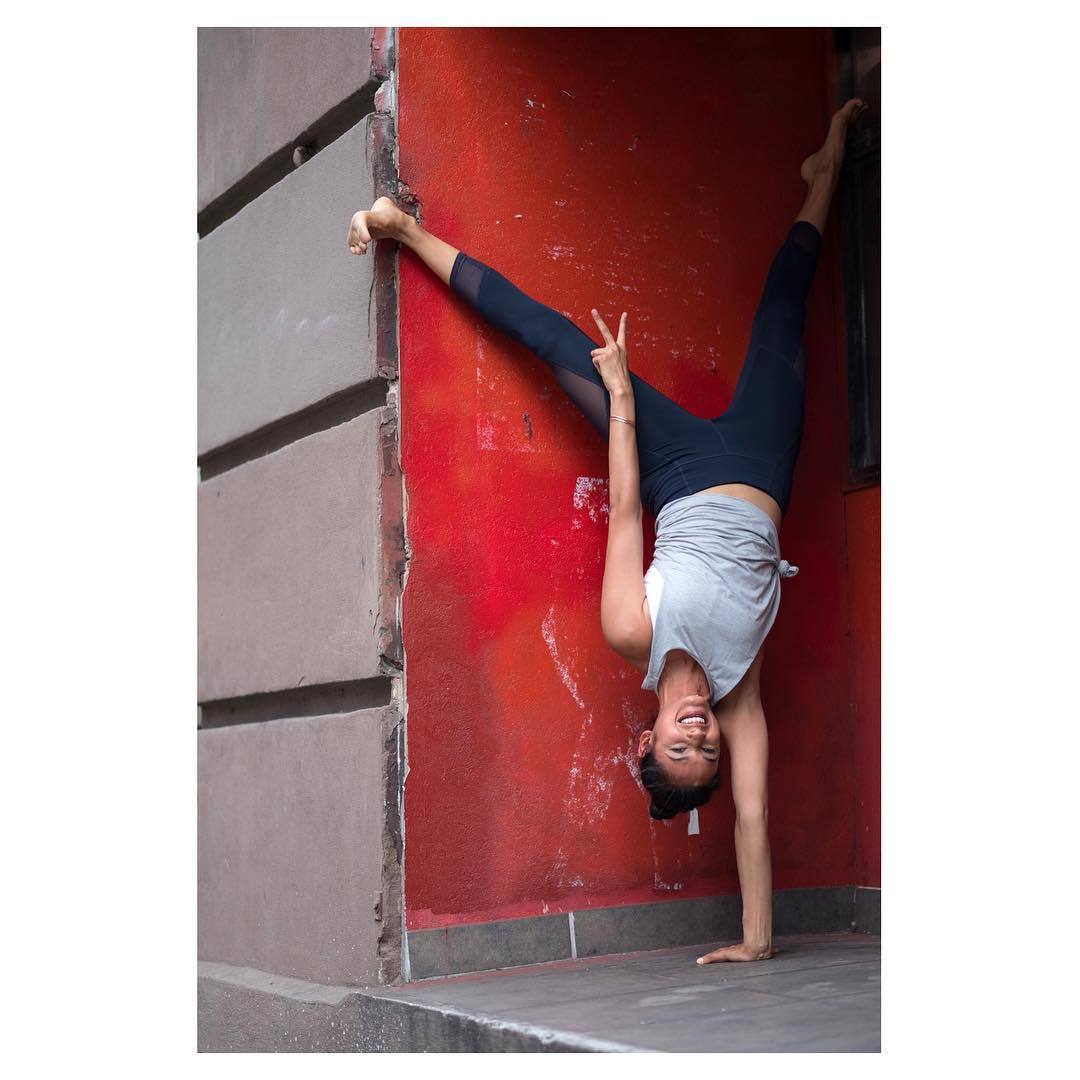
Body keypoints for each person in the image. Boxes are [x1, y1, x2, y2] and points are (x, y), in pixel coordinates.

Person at [347, 98, 866, 963]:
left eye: (680, 744)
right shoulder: (741, 693)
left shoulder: (633, 631)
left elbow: (625, 512)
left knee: (555, 343)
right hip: (764, 466)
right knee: (784, 313)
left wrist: (622, 399)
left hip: (673, 473)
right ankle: (826, 173)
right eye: (707, 749)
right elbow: (753, 815)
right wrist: (757, 942)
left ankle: (404, 230)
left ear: (648, 737)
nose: (700, 732)